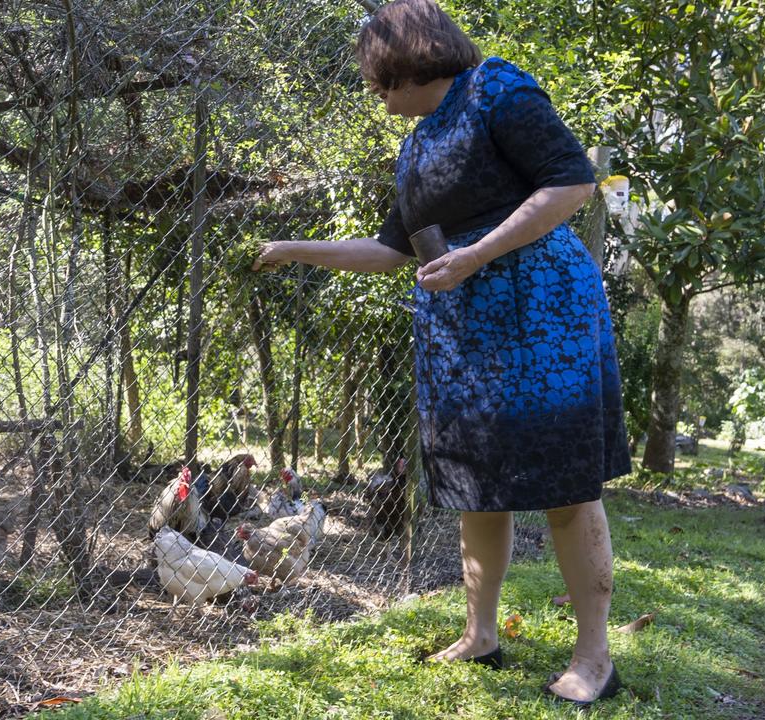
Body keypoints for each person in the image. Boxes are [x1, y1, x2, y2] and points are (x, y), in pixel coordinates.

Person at [252, 0, 631, 706]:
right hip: (464, 336)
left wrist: (475, 255)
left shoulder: (497, 89)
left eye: (376, 79)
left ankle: (596, 659)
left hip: (541, 317)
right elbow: (393, 250)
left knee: (566, 486)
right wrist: (294, 251)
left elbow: (571, 182)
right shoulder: (419, 143)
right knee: (475, 485)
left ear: (402, 64)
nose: (376, 95)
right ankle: (480, 634)